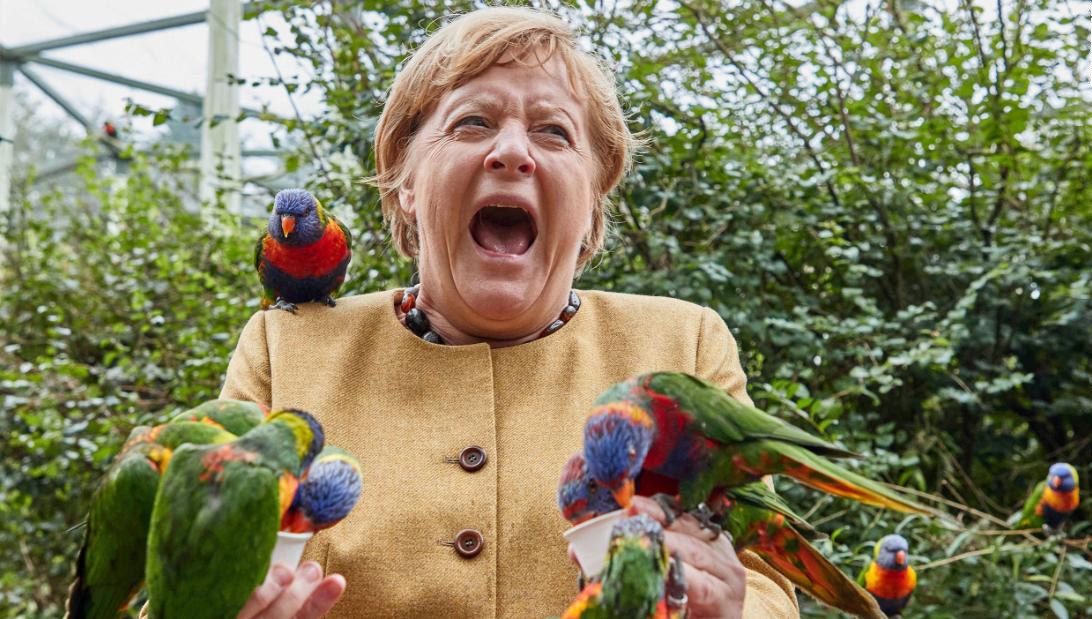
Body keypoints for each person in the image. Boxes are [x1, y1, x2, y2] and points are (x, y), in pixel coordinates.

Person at [226, 7, 799, 618]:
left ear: (592, 195)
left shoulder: (682, 345)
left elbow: (765, 583)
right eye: (472, 122)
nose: (512, 152)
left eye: (554, 132)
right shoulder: (285, 348)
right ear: (407, 183)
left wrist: (726, 609)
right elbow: (185, 578)